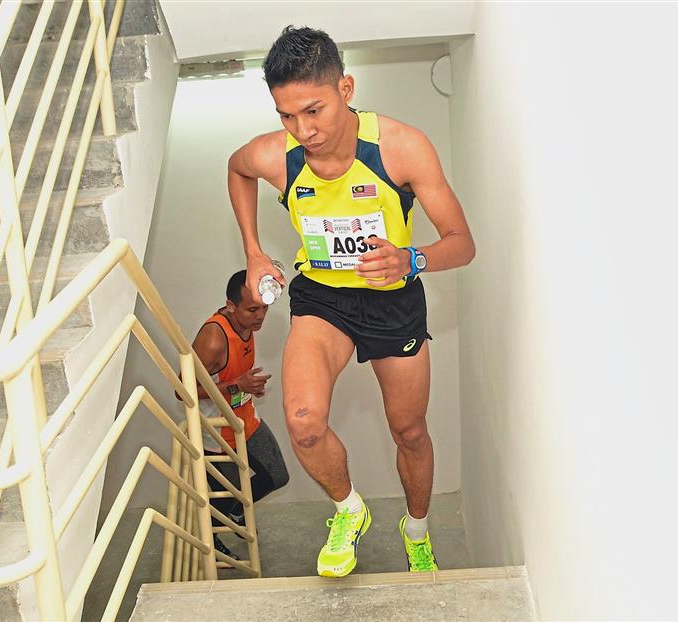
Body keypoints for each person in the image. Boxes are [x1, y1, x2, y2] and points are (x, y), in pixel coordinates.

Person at [226, 27, 475, 577]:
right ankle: (349, 510)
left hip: (393, 300)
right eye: (286, 115)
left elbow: (463, 244)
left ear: (346, 87)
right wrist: (254, 250)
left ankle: (417, 534)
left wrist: (411, 260)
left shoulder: (401, 148)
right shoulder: (276, 154)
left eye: (313, 110)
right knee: (303, 422)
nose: (302, 130)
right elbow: (237, 168)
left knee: (409, 430)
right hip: (323, 300)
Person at [181, 270, 290, 560]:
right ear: (231, 306)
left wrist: (248, 388)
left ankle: (237, 514)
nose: (260, 317)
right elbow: (183, 390)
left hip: (244, 421)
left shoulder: (247, 327)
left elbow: (234, 379)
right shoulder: (214, 339)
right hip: (214, 433)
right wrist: (236, 385)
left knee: (277, 476)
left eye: (264, 309)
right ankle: (214, 544)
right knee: (225, 494)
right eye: (252, 309)